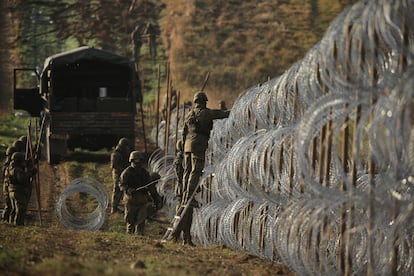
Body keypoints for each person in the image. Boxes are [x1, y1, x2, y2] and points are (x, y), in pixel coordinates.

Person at [171, 91, 230, 245]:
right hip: (199, 144)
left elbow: (183, 132)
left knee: (187, 170)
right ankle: (189, 191)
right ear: (204, 101)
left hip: (187, 145)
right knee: (196, 171)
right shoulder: (206, 113)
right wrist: (233, 111)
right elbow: (222, 114)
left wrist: (184, 147)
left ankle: (186, 190)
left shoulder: (189, 114)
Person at [120, 150, 162, 234]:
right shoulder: (126, 173)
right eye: (135, 160)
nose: (137, 162)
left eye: (139, 160)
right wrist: (128, 189)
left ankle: (139, 237)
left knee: (141, 221)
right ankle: (129, 237)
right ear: (131, 161)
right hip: (130, 199)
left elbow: (151, 187)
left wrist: (156, 199)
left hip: (142, 200)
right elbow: (121, 185)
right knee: (130, 221)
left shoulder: (144, 173)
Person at [7, 152, 37, 225]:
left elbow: (24, 166)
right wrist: (31, 172)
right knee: (20, 209)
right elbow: (22, 178)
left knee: (14, 209)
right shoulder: (16, 169)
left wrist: (31, 161)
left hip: (12, 190)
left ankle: (11, 224)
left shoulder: (11, 167)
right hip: (17, 191)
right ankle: (18, 224)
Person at [110, 137, 132, 214]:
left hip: (124, 173)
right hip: (118, 173)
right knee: (117, 190)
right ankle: (114, 208)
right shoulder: (116, 154)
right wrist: (123, 170)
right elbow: (114, 166)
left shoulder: (124, 152)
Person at [2, 145, 18, 222]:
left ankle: (7, 219)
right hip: (8, 186)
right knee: (9, 205)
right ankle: (5, 219)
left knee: (10, 205)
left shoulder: (8, 163)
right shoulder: (10, 165)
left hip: (8, 186)